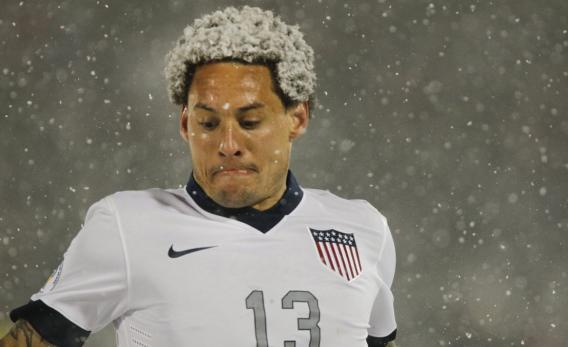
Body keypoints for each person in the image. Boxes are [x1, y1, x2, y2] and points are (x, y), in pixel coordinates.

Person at [1, 6, 397, 347]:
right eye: (208, 123)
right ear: (186, 124)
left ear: (297, 118)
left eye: (250, 121)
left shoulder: (362, 229)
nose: (228, 143)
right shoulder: (126, 226)